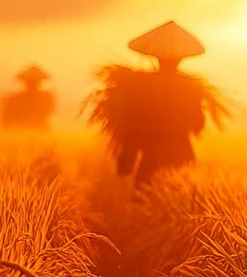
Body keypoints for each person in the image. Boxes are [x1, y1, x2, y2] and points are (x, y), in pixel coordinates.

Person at [86, 21, 227, 186]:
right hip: (181, 155)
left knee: (144, 203)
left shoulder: (142, 87)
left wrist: (126, 162)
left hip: (152, 158)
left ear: (156, 58)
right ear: (181, 59)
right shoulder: (190, 88)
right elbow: (198, 124)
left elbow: (132, 127)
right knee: (183, 203)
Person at [0, 66, 55, 130]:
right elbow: (50, 110)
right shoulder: (45, 96)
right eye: (31, 83)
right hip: (32, 127)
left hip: (38, 126)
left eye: (33, 83)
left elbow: (49, 110)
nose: (32, 85)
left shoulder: (45, 96)